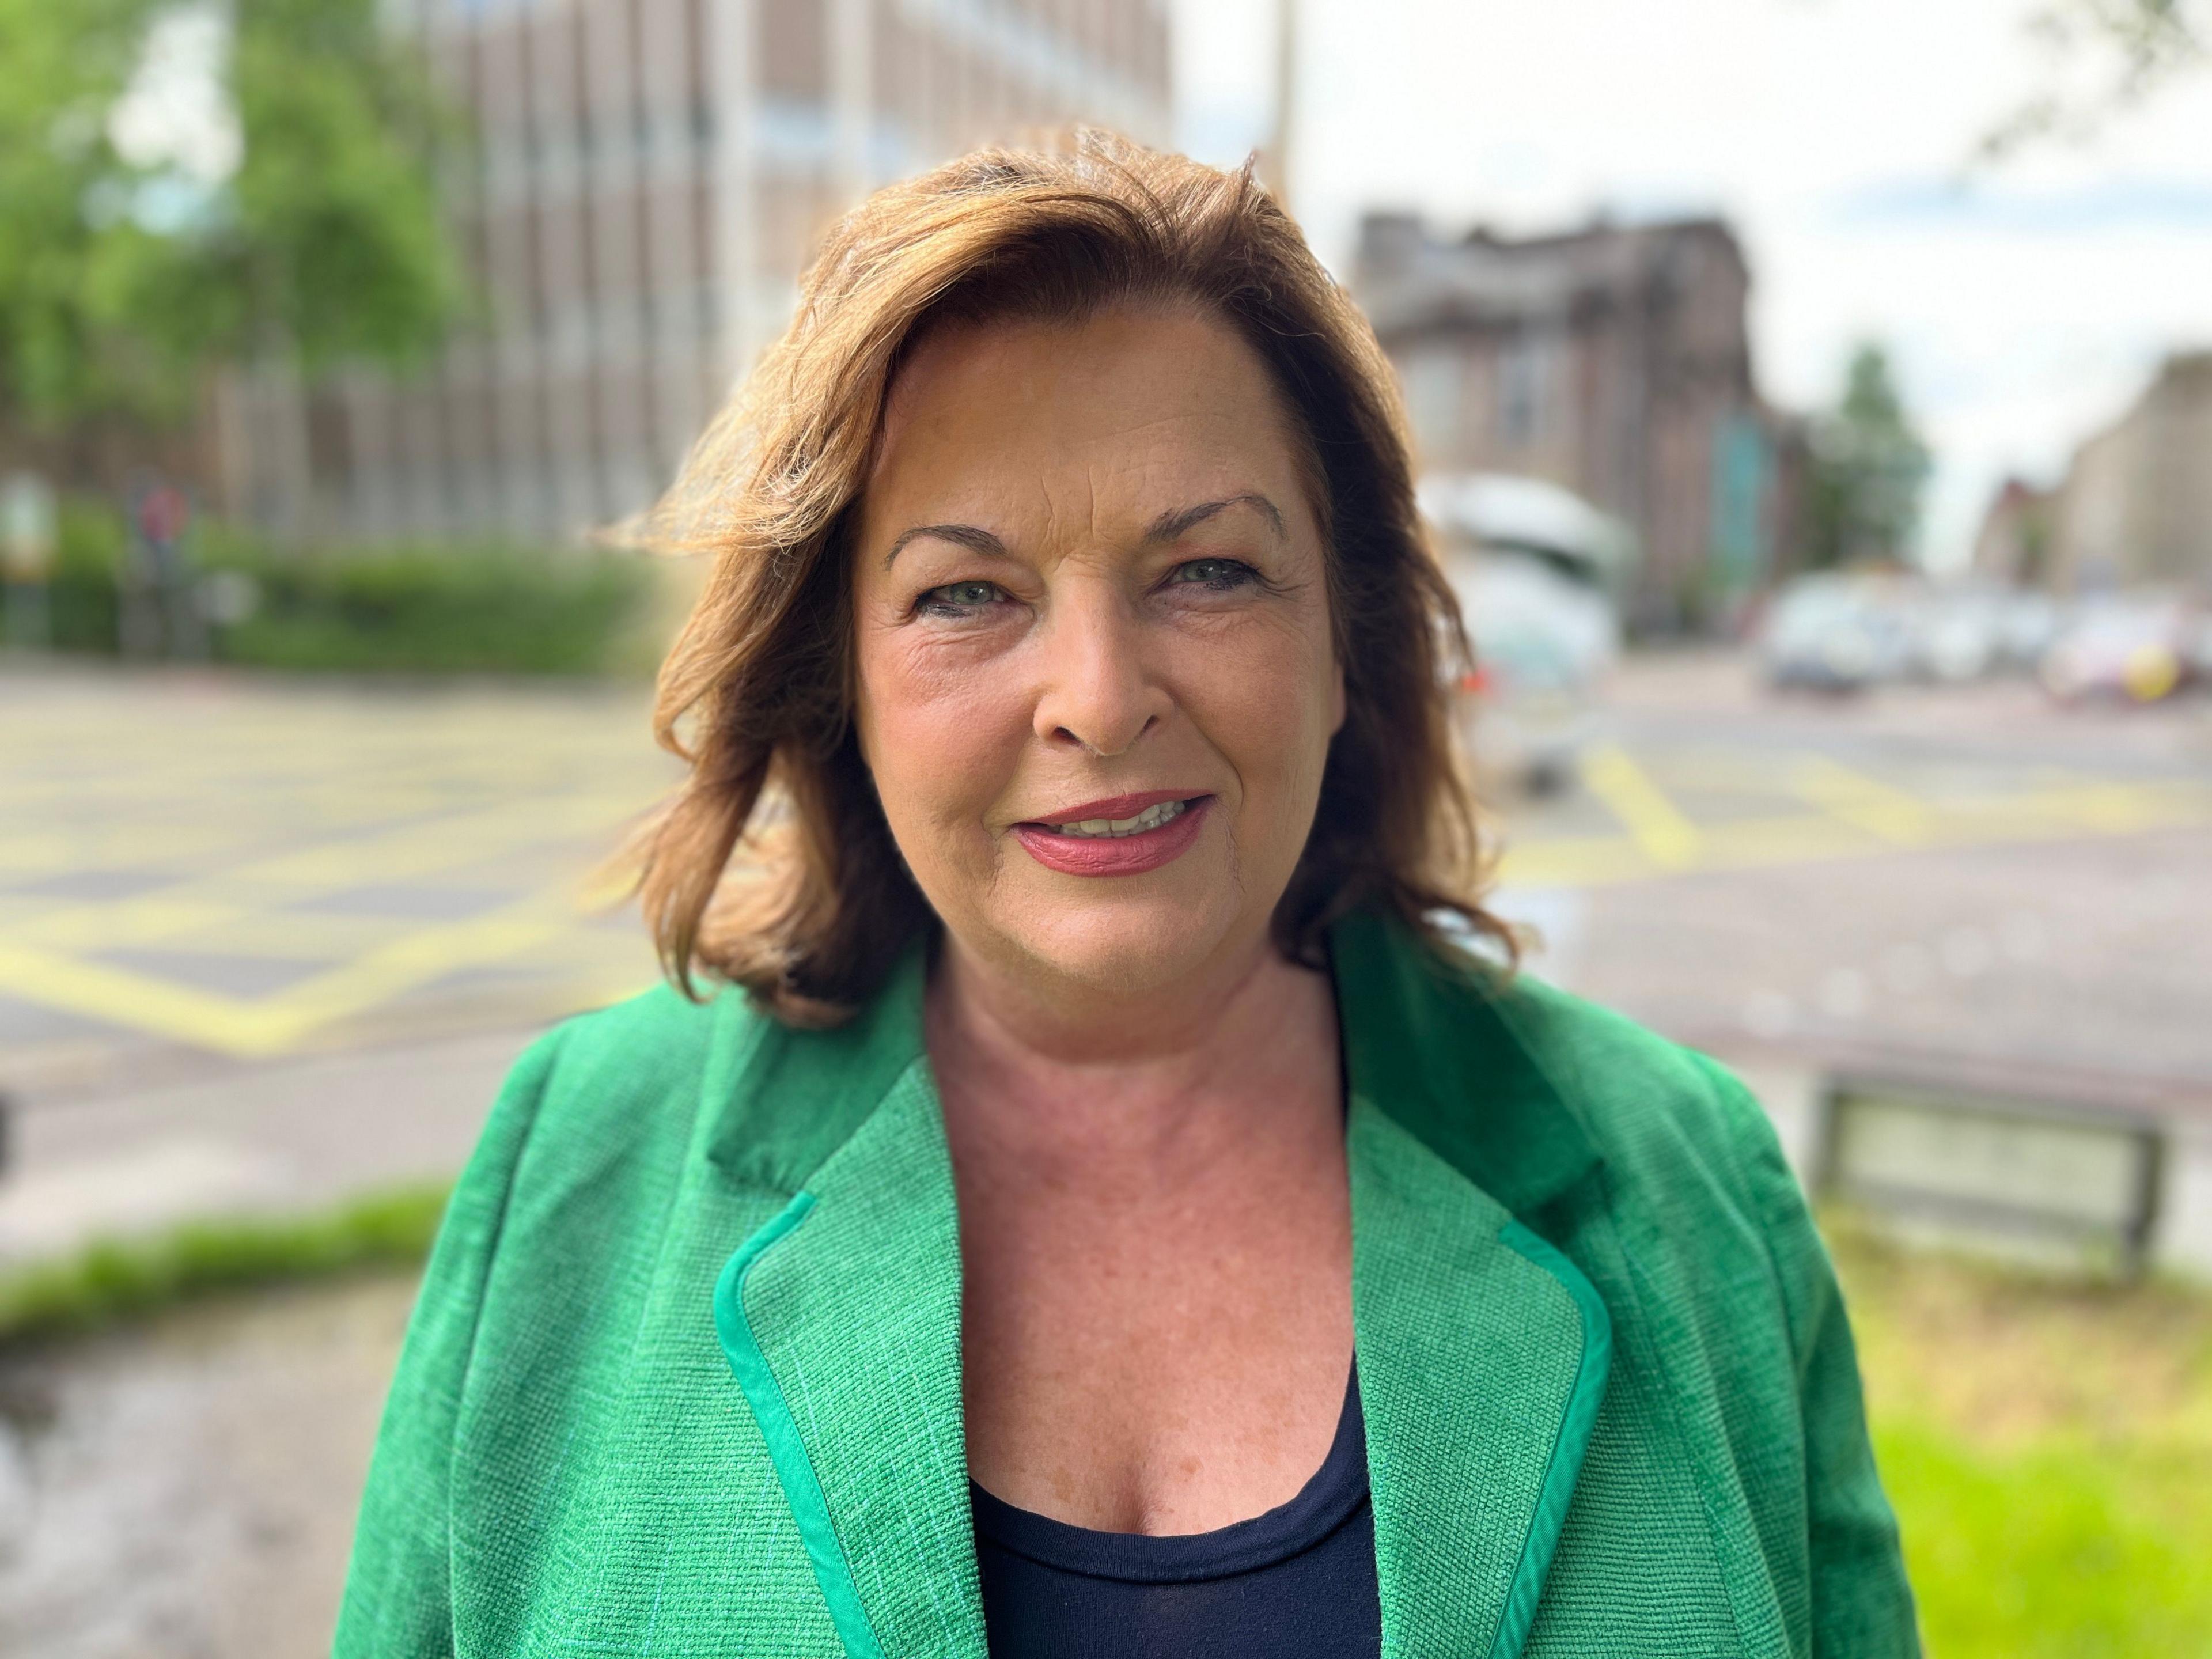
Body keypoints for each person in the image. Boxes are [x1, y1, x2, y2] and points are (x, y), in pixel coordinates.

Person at [335, 133, 1918, 1659]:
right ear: (840, 673)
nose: (1097, 698)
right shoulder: (572, 1171)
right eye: (965, 594)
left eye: (1209, 571)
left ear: (1347, 634)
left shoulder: (1686, 1182)